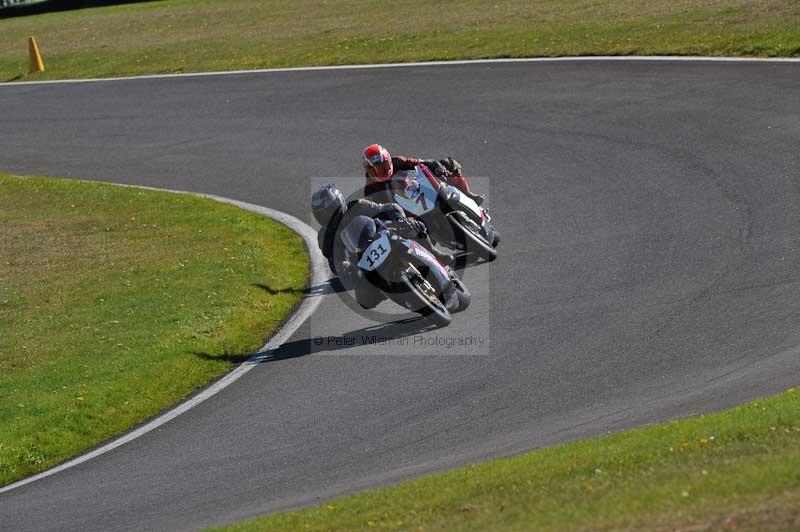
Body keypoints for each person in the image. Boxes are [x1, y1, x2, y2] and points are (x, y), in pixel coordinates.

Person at [311, 183, 454, 277]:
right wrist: (345, 267)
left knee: (414, 226)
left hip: (384, 238)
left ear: (338, 203)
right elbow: (334, 261)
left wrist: (399, 220)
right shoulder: (324, 236)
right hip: (365, 266)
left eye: (328, 211)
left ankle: (435, 253)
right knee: (364, 297)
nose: (326, 216)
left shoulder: (357, 206)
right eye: (321, 214)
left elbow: (387, 208)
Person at [360, 144, 485, 206]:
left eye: (382, 166)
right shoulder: (371, 188)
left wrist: (438, 167)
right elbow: (374, 209)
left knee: (448, 164)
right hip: (407, 211)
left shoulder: (397, 161)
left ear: (388, 160)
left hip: (418, 189)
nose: (379, 172)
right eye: (373, 170)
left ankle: (468, 194)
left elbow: (420, 162)